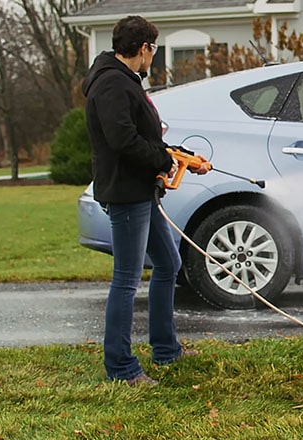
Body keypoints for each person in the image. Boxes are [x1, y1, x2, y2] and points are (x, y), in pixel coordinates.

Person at [82, 15, 207, 386]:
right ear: (143, 49)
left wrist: (178, 154)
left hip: (141, 191)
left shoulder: (124, 82)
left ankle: (166, 349)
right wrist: (164, 161)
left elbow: (142, 135)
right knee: (126, 279)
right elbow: (122, 140)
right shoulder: (111, 86)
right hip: (125, 193)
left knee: (168, 263)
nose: (153, 56)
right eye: (153, 49)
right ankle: (120, 366)